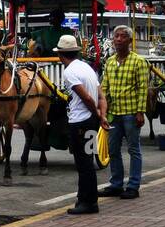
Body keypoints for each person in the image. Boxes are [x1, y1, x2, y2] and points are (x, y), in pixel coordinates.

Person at [97, 25, 148, 199]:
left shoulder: (138, 62)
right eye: (116, 36)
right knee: (113, 149)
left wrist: (140, 112)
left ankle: (133, 186)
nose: (118, 39)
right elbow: (105, 88)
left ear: (130, 40)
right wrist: (102, 110)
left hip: (131, 112)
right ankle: (116, 184)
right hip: (114, 113)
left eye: (122, 36)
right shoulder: (110, 62)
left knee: (133, 150)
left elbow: (143, 89)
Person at [57, 33, 102, 215]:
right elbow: (100, 95)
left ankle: (88, 202)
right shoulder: (86, 67)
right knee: (88, 161)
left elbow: (87, 97)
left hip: (80, 122)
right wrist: (100, 115)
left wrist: (94, 111)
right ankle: (85, 198)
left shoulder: (69, 72)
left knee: (83, 164)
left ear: (61, 55)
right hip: (91, 122)